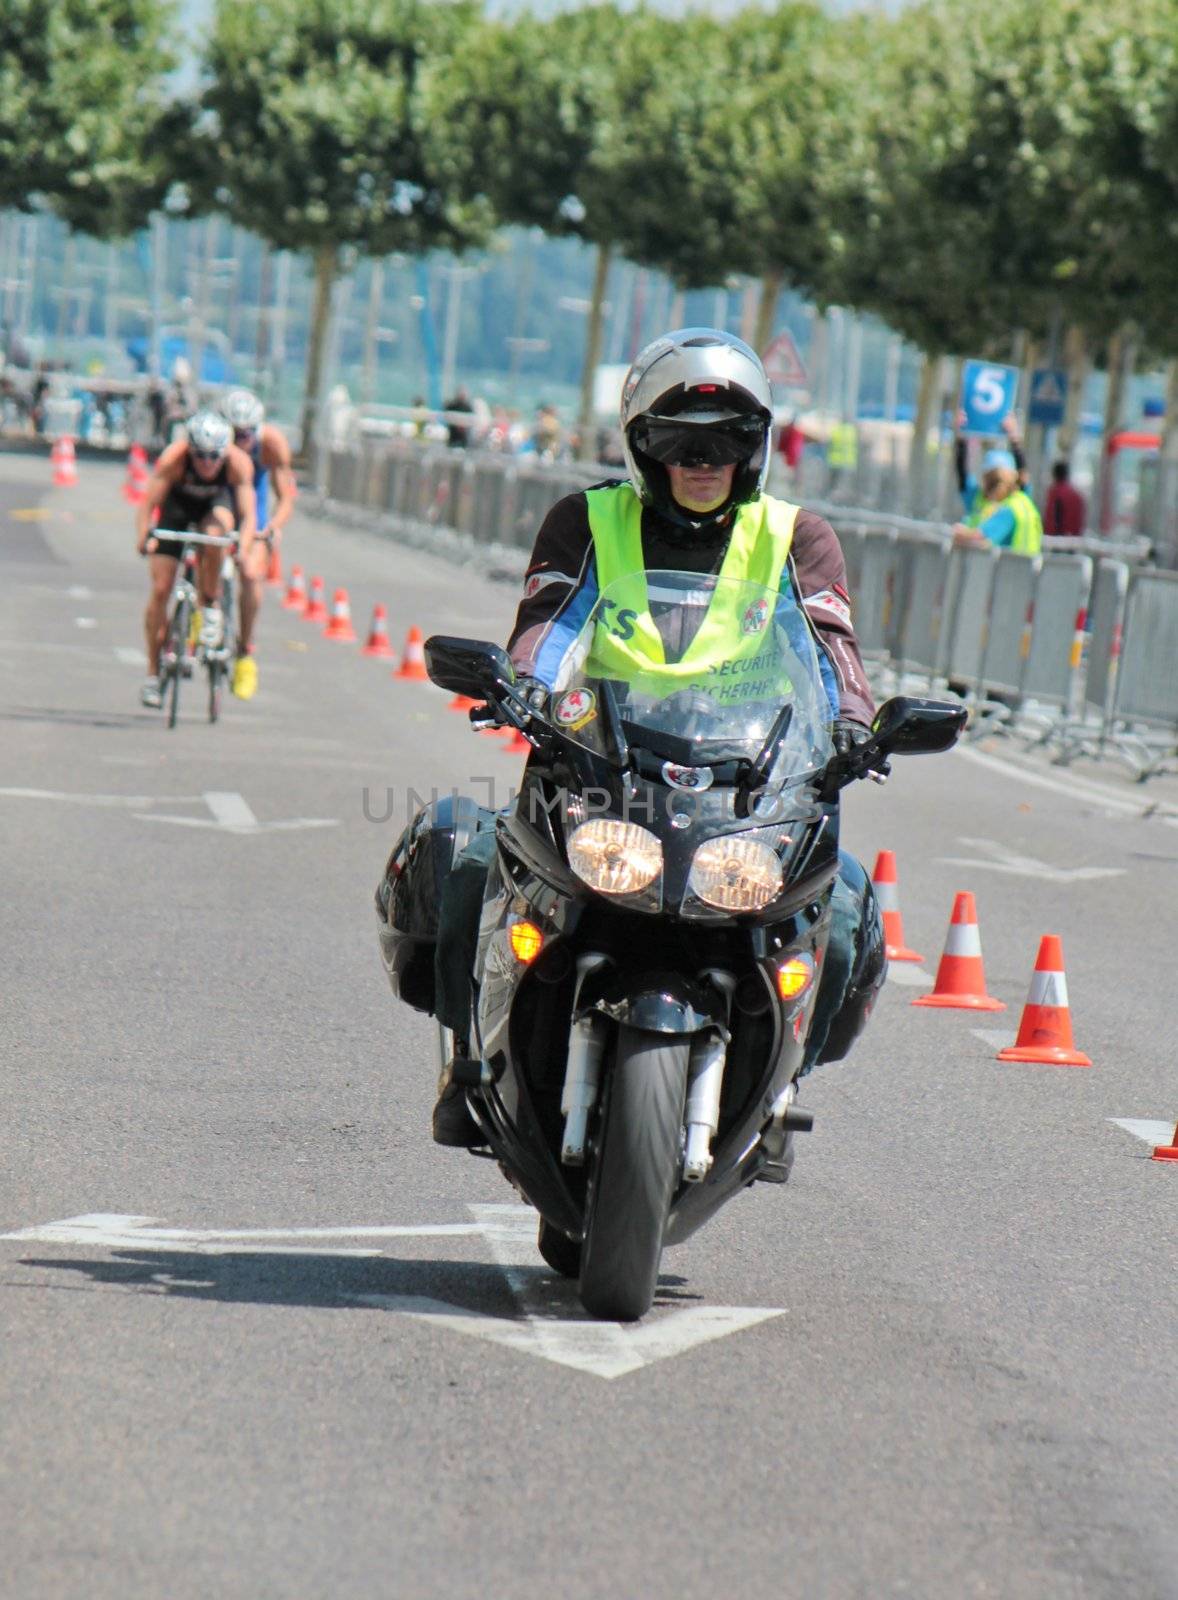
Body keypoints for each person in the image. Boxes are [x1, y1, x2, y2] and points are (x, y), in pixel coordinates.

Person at [429, 327, 880, 1146]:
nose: (704, 460)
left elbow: (830, 651)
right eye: (680, 441)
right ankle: (467, 1065)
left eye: (730, 440)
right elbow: (550, 622)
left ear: (758, 447)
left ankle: (778, 1087)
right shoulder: (587, 520)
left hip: (749, 782)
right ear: (643, 444)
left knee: (845, 914)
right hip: (596, 764)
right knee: (465, 864)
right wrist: (521, 686)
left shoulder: (797, 539)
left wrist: (856, 723)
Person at [135, 410, 256, 709]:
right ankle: (153, 673)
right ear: (190, 449)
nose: (207, 463)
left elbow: (249, 515)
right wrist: (144, 536)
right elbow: (148, 503)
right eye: (200, 455)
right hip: (177, 507)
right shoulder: (174, 459)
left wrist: (243, 546)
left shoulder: (237, 464)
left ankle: (210, 603)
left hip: (215, 506)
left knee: (216, 535)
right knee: (161, 588)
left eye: (214, 456)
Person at [221, 389, 296, 700]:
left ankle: (244, 649)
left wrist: (274, 528)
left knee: (251, 575)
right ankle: (201, 611)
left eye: (248, 432)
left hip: (257, 512)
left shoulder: (271, 444)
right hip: (222, 504)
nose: (243, 439)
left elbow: (286, 496)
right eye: (236, 434)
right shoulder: (212, 443)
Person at [1043, 460, 1086, 537]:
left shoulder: (1055, 493)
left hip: (1058, 539)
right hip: (1074, 538)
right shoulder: (1076, 495)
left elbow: (1054, 519)